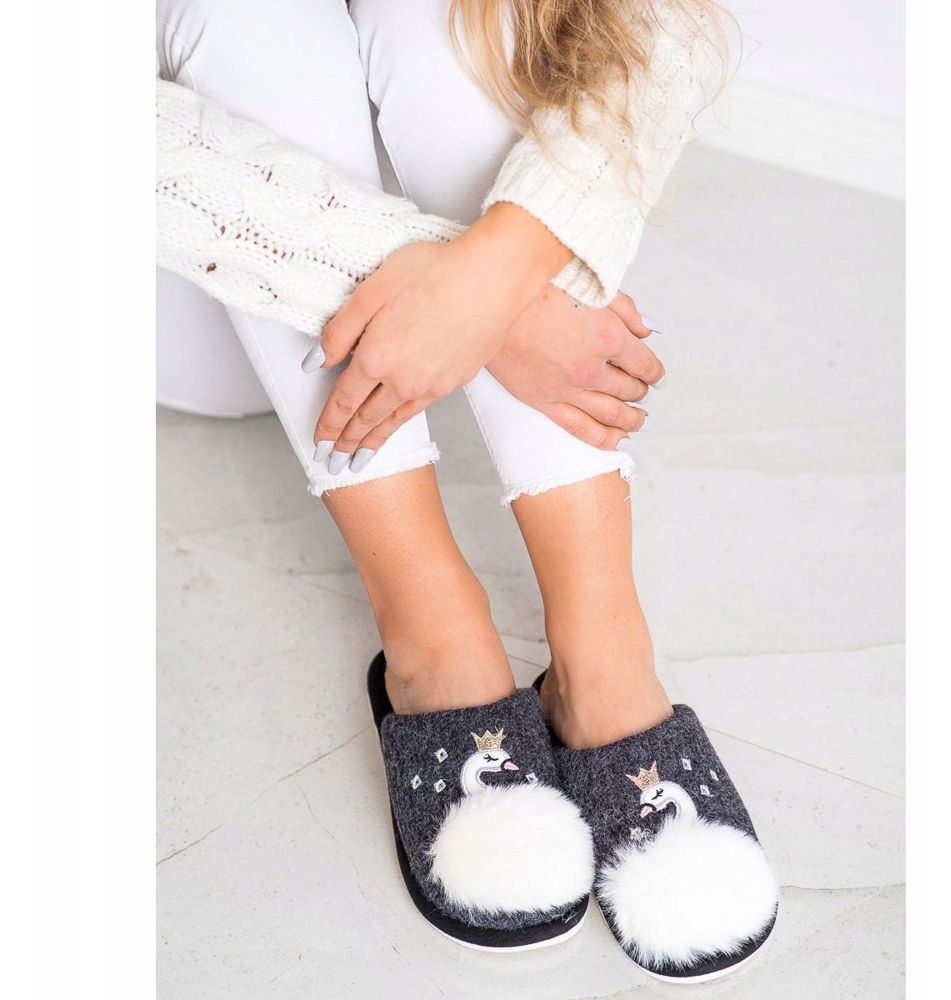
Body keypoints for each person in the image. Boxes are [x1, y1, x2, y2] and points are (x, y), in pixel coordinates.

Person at [157, 0, 779, 981]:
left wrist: (496, 272)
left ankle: (602, 651)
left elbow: (657, 33)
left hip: (400, 278)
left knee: (470, 23)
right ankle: (432, 630)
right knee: (244, 20)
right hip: (188, 270)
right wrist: (496, 309)